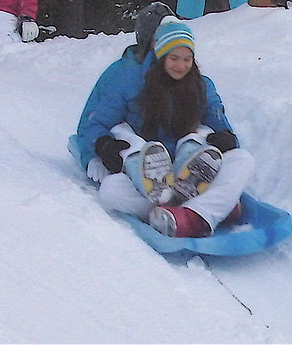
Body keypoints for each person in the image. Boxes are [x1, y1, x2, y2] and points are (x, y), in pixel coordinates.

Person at [70, 12, 256, 238]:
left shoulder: (199, 84)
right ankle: (201, 206)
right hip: (144, 169)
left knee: (243, 159)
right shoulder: (124, 76)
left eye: (186, 59)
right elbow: (93, 123)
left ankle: (193, 214)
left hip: (185, 163)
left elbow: (216, 116)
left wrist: (225, 136)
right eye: (173, 58)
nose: (180, 65)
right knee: (111, 190)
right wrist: (102, 147)